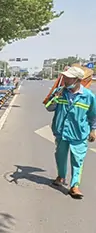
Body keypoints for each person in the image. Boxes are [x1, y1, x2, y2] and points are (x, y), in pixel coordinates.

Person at [45, 66, 96, 199]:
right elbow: (48, 107)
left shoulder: (89, 96)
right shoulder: (60, 92)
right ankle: (61, 176)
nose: (66, 80)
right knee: (60, 157)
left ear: (78, 80)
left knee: (77, 160)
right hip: (61, 132)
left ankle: (75, 186)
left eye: (69, 78)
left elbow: (93, 115)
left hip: (79, 134)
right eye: (65, 77)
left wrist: (93, 130)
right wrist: (55, 98)